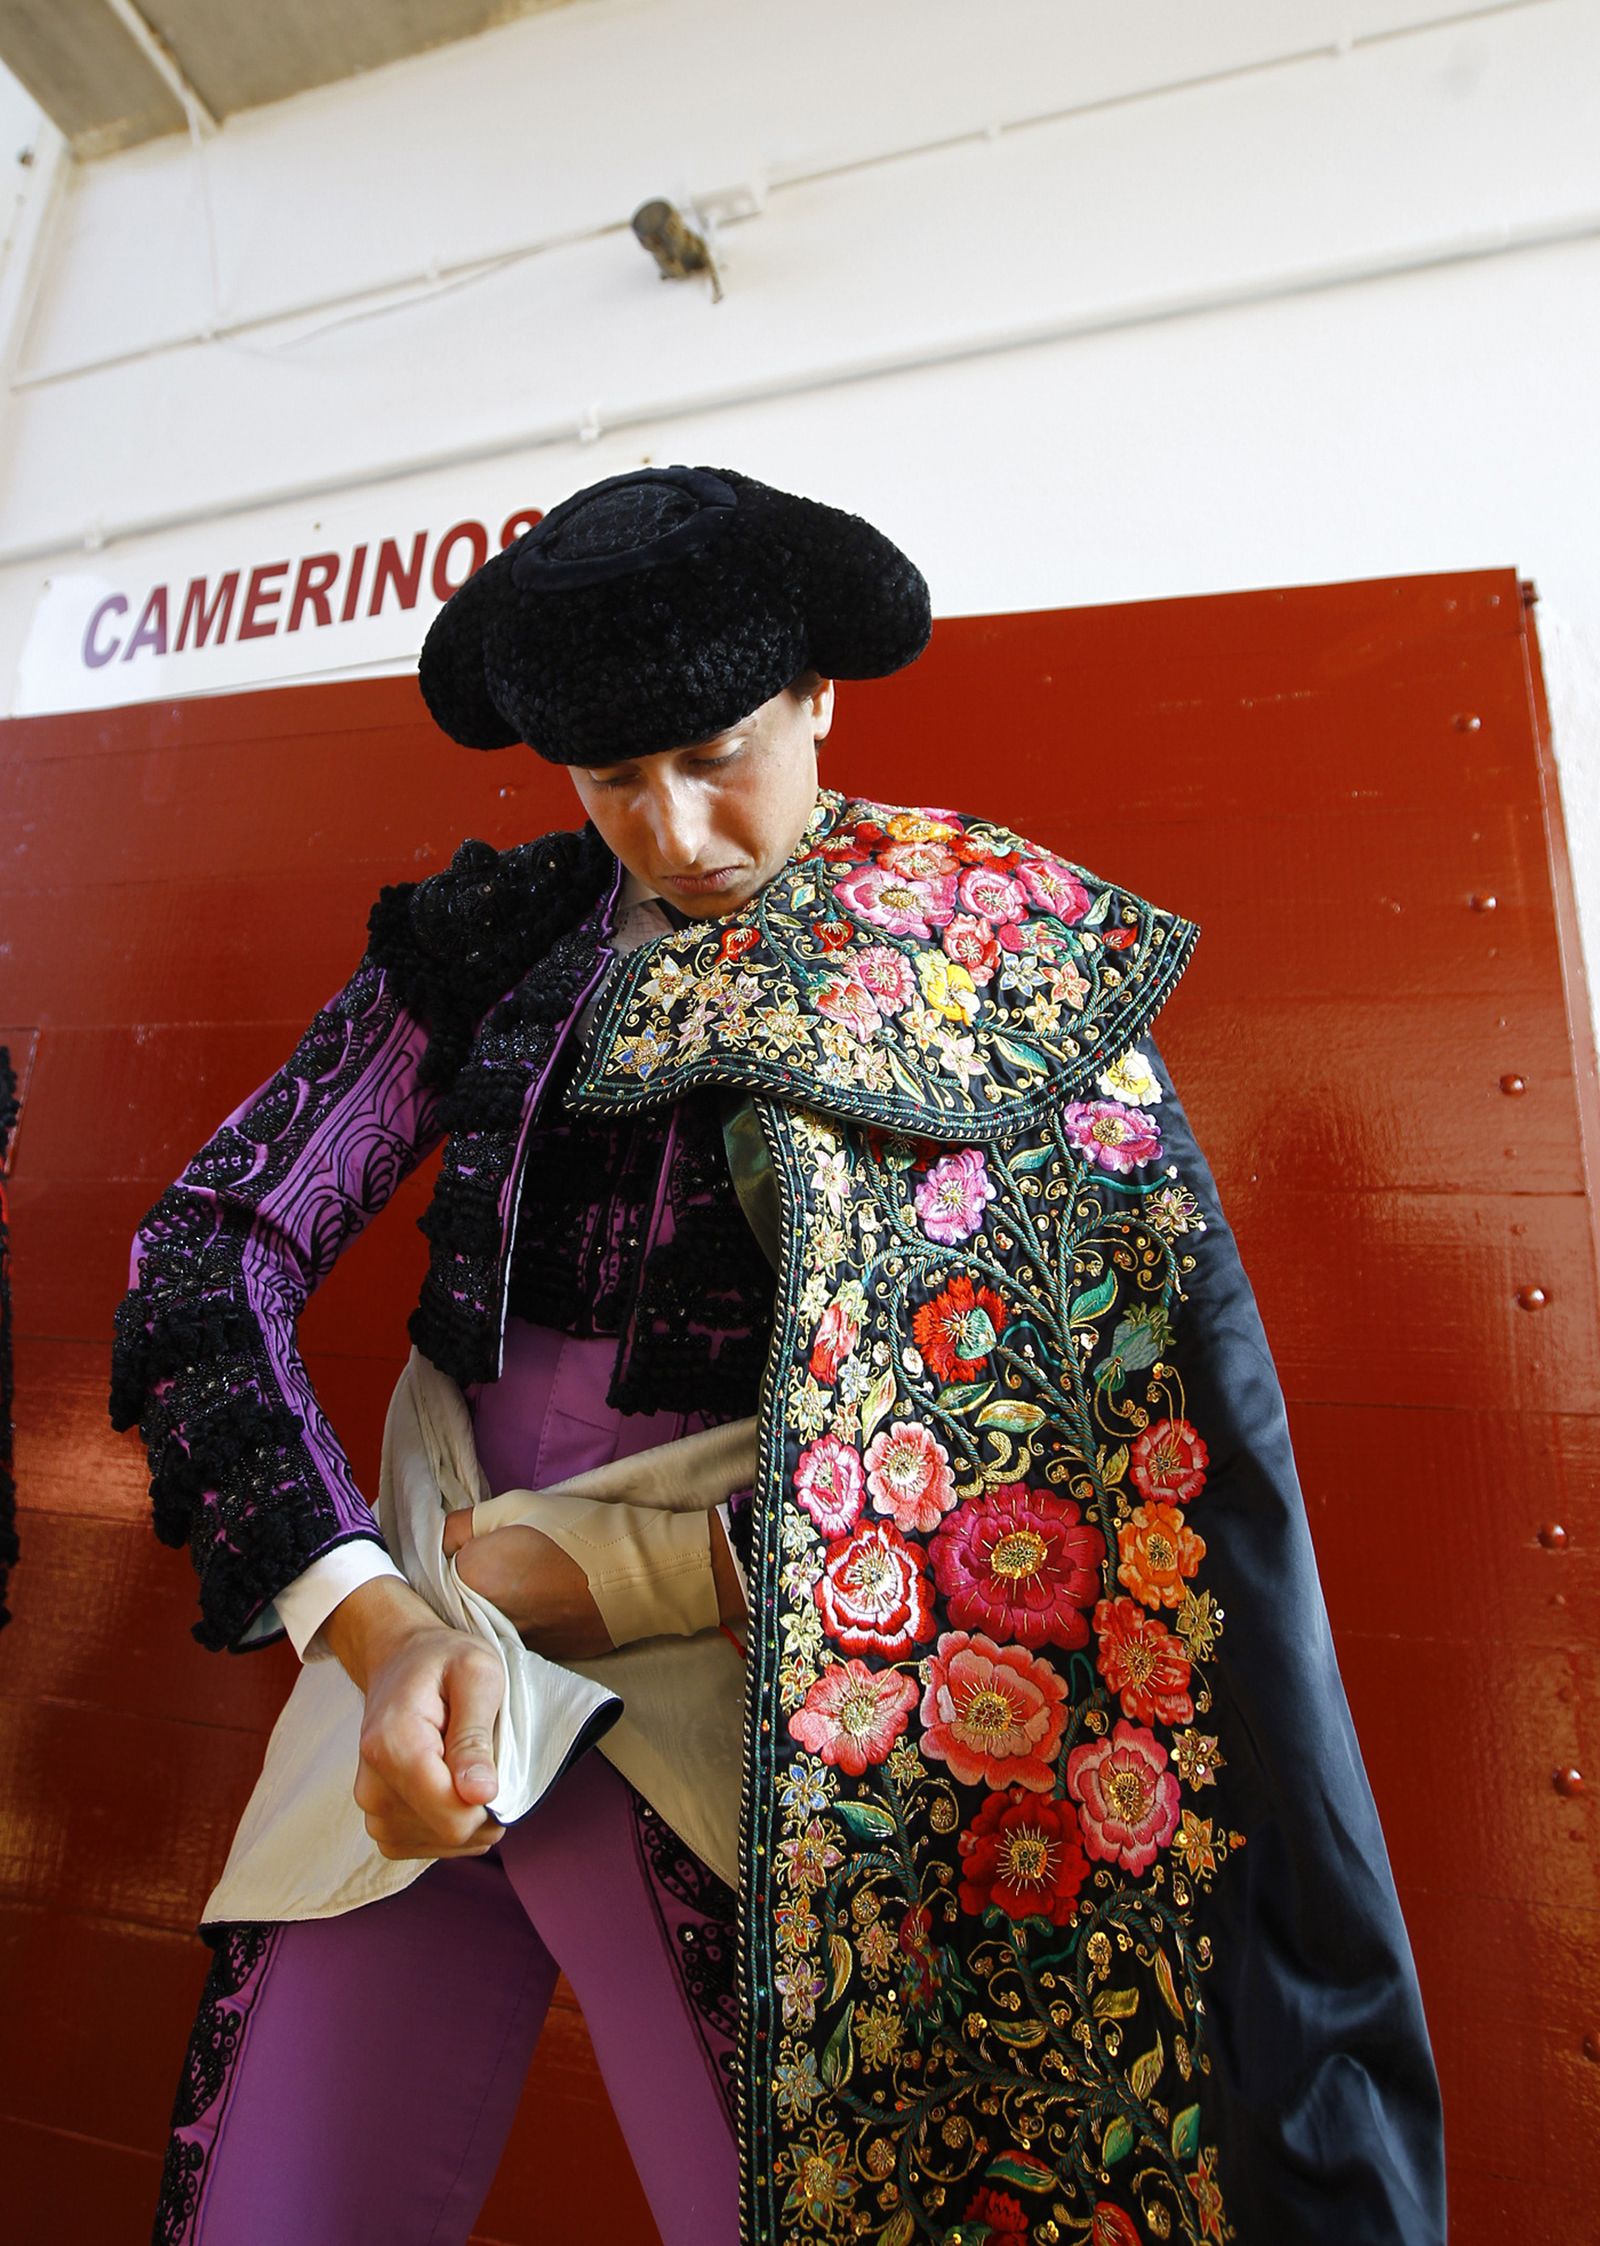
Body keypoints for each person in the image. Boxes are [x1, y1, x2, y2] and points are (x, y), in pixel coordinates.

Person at [111, 464, 1446, 2246]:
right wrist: (371, 1611)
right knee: (266, 2208)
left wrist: (630, 1569)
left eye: (716, 753)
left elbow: (1062, 1438)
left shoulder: (979, 956)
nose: (667, 830)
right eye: (610, 780)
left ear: (818, 692)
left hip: (761, 1711)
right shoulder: (498, 938)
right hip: (416, 1648)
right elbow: (210, 1246)